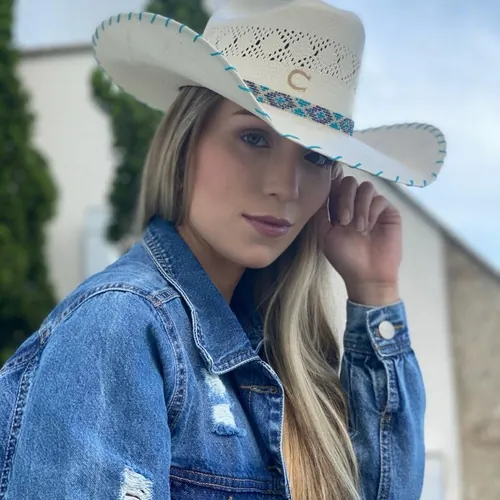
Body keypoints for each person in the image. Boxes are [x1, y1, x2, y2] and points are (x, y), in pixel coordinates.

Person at [0, 1, 446, 499]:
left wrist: (375, 290)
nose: (285, 187)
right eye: (253, 137)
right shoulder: (123, 324)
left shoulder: (278, 354)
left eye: (315, 156)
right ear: (186, 143)